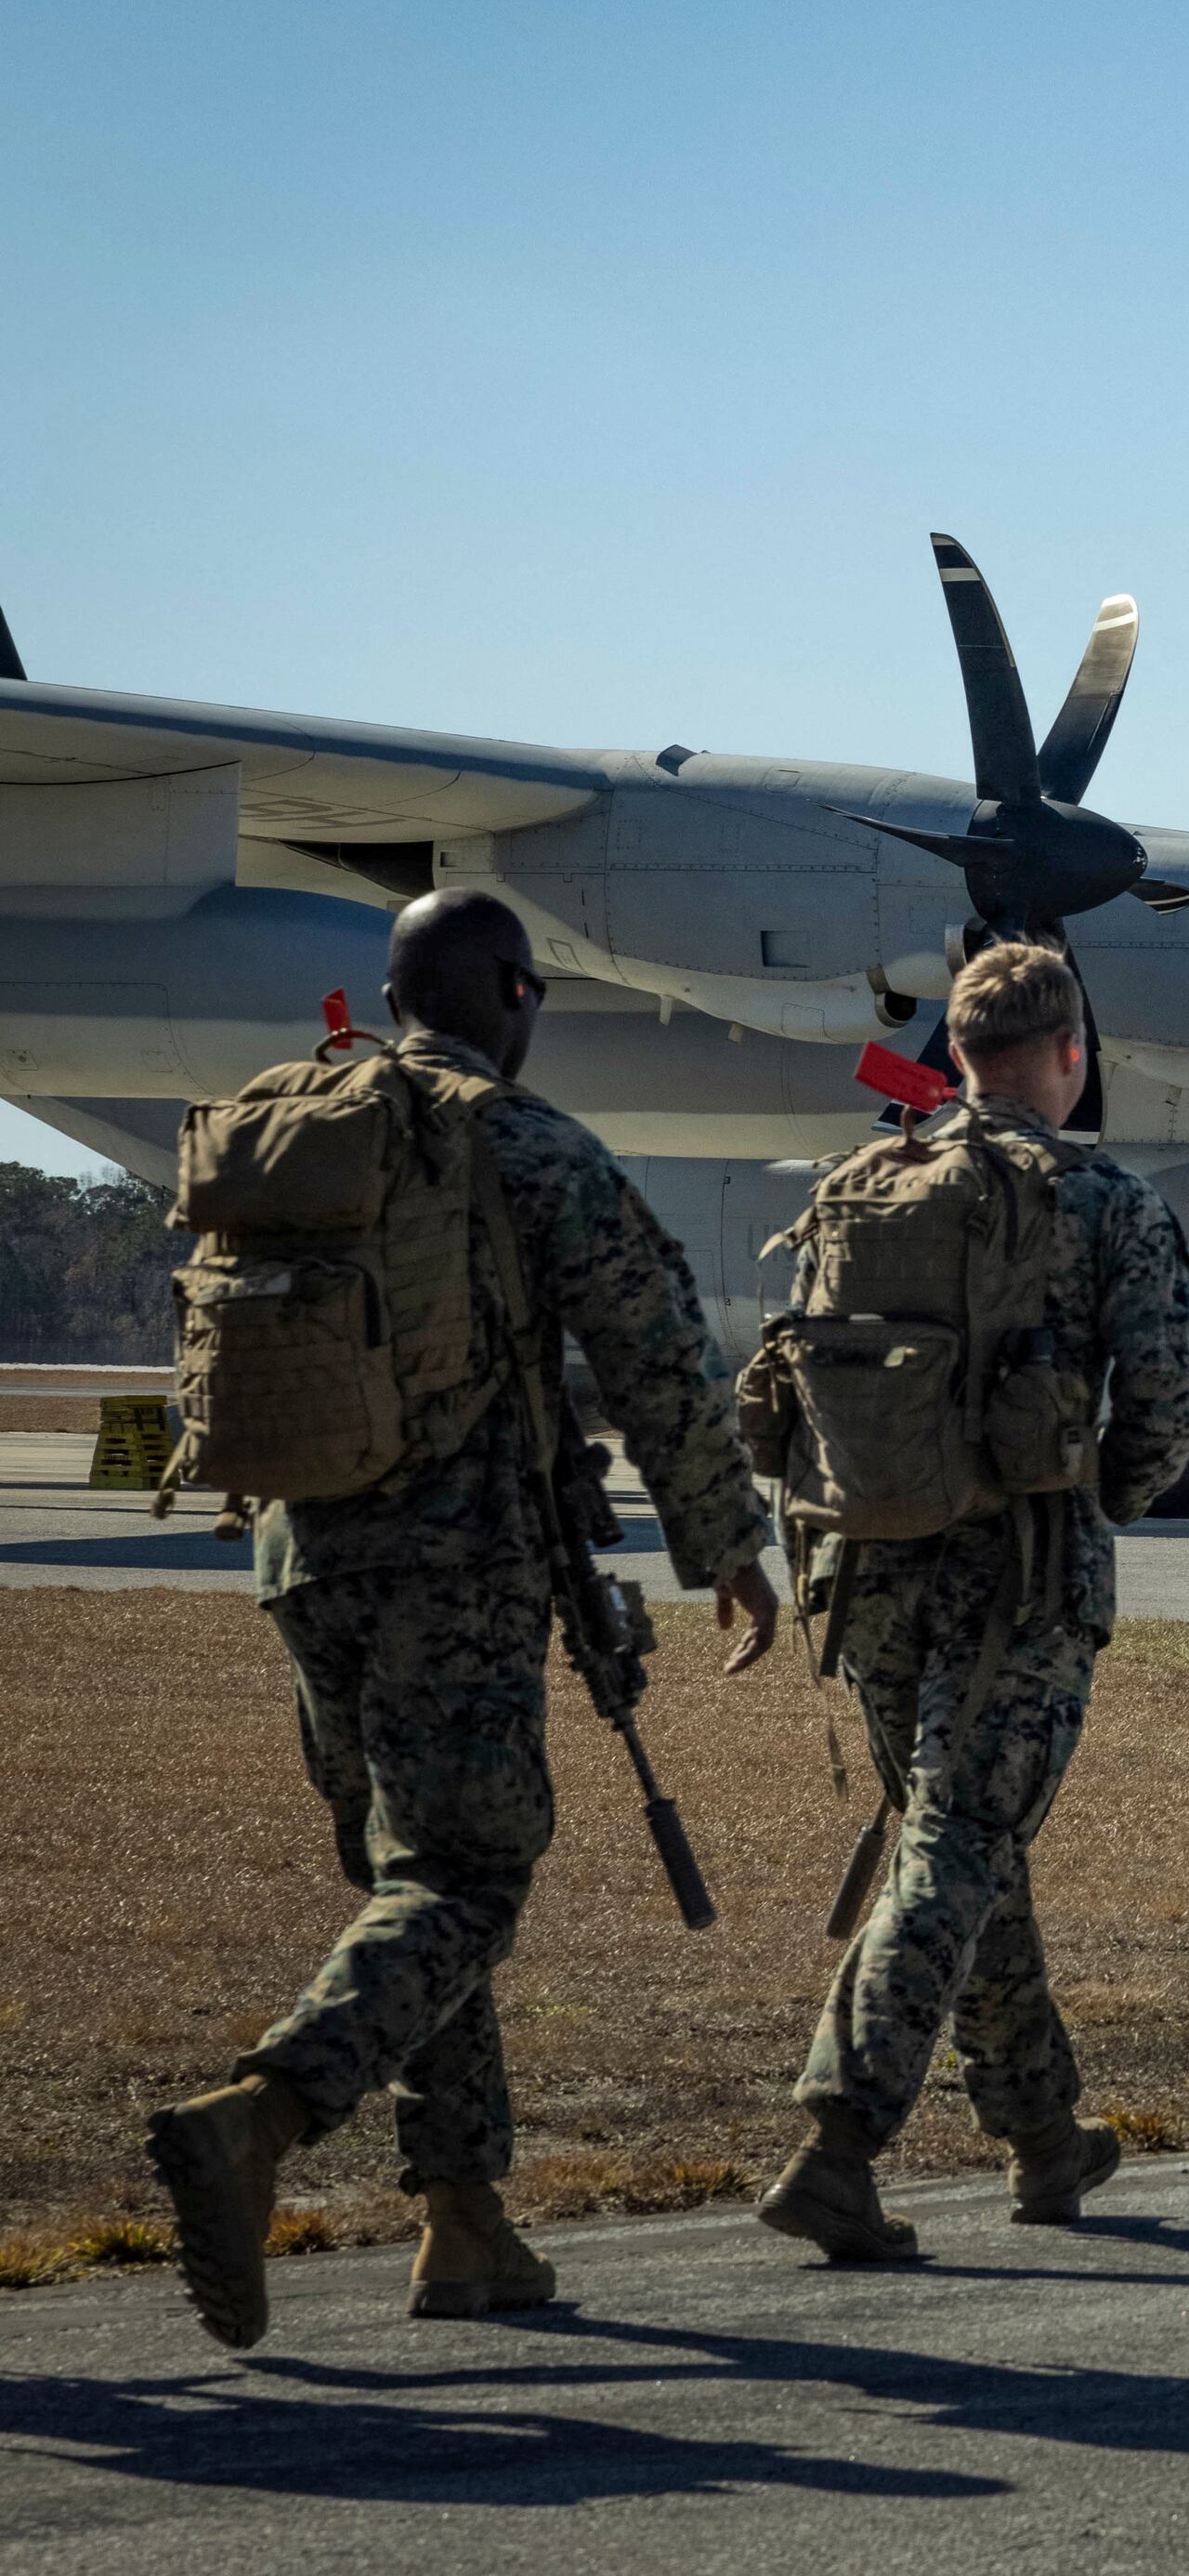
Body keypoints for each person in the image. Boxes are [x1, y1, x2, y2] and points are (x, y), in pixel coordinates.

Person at [143, 889, 780, 2348]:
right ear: (510, 991)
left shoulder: (301, 1122)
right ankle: (264, 2114)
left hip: (301, 1555)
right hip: (459, 1564)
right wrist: (729, 1545)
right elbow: (660, 1352)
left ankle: (464, 2218)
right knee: (469, 1874)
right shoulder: (519, 1142)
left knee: (410, 1875)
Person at [758, 939, 1189, 2260]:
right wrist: (1103, 1494)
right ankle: (840, 2135)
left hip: (869, 1564)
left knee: (962, 1840)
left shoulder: (863, 1181)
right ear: (1072, 1055)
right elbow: (1177, 1394)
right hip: (1021, 1571)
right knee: (960, 1840)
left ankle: (1041, 2134)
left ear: (958, 1053)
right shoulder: (1098, 1195)